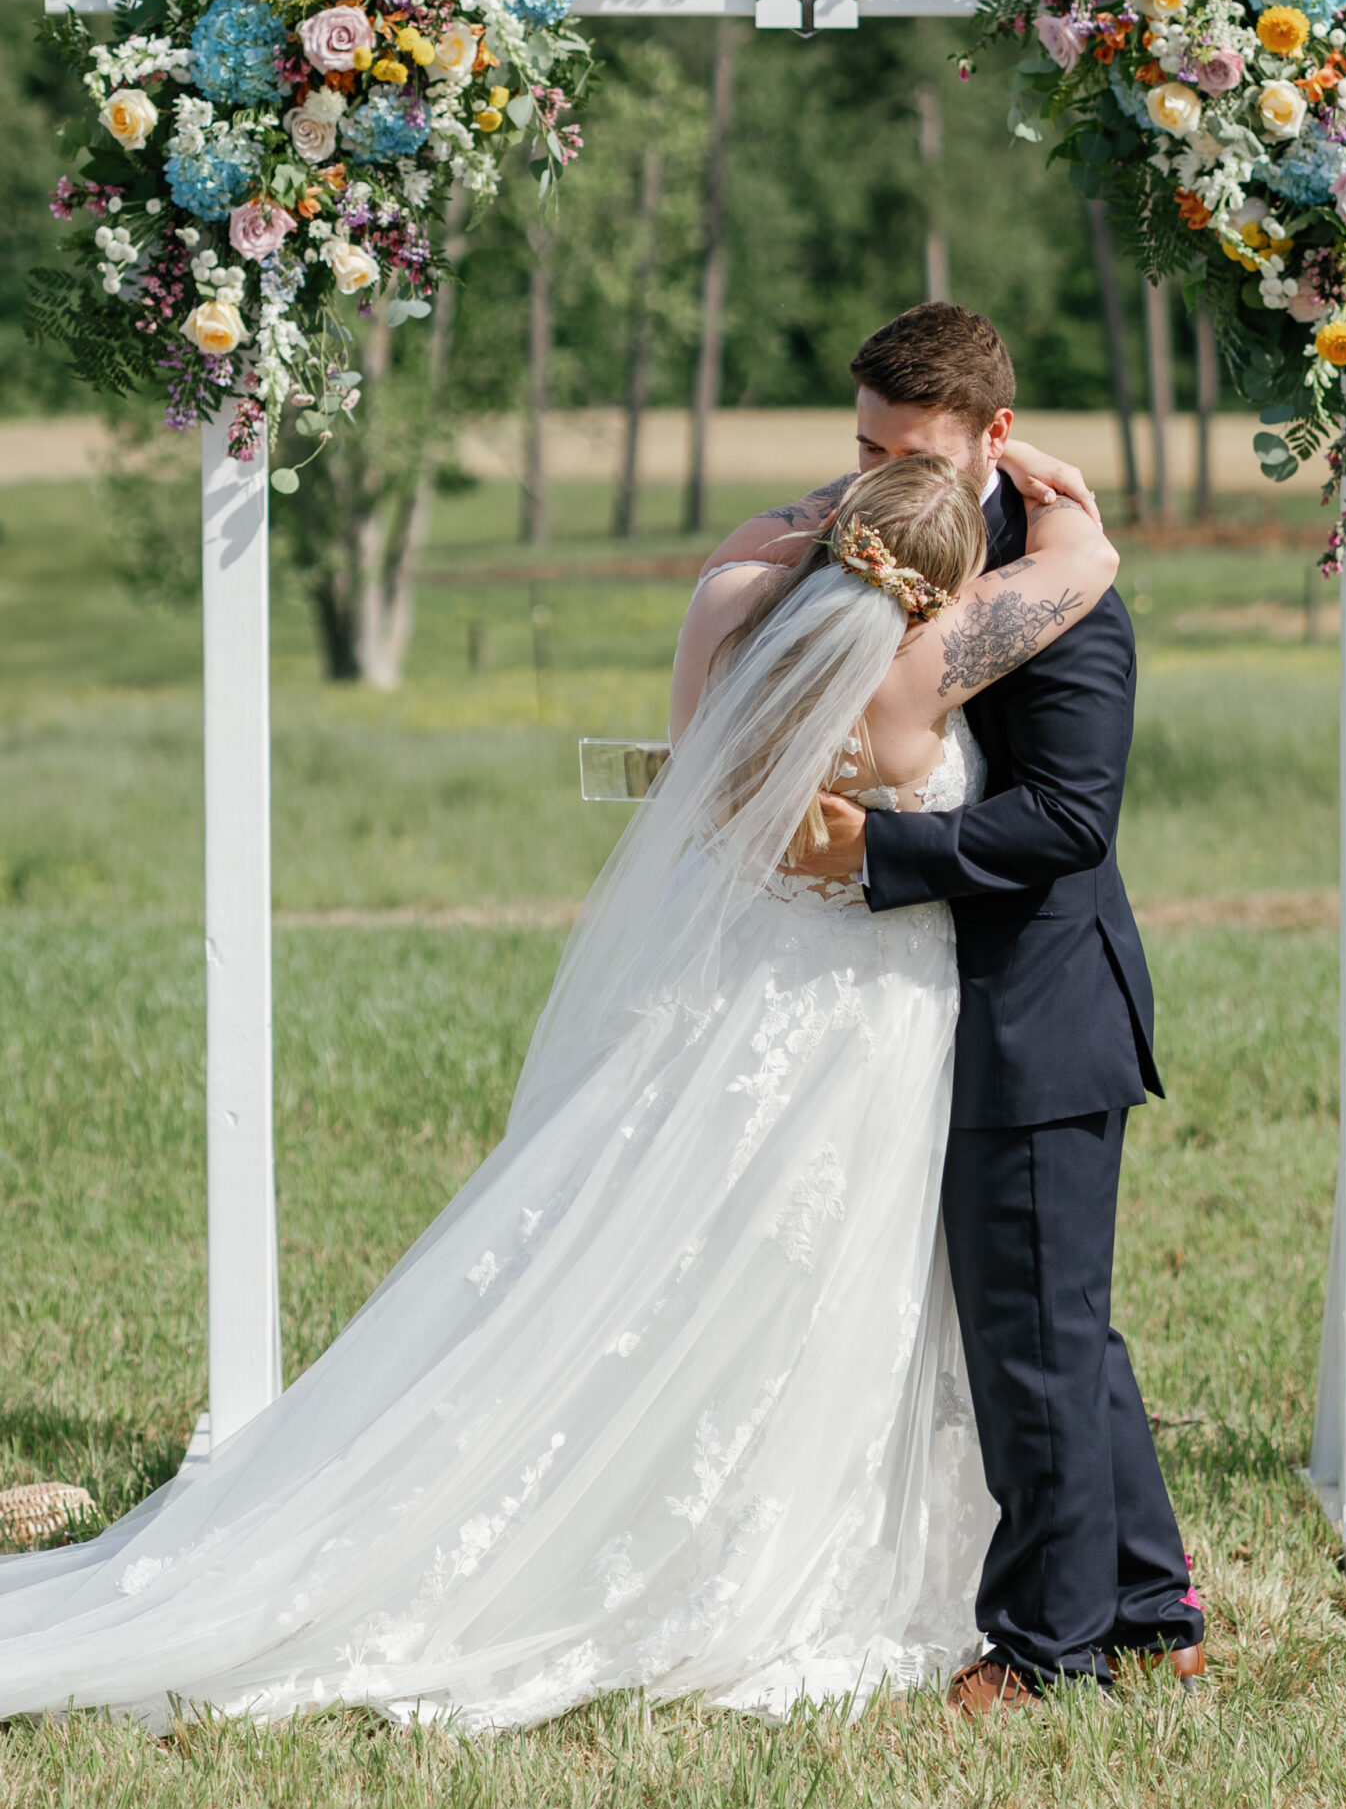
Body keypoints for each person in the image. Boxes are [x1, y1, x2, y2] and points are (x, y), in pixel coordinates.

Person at [0, 445, 1117, 1726]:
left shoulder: (733, 607)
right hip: (867, 1013)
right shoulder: (929, 660)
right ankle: (764, 1546)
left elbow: (716, 712)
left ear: (834, 541)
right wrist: (1065, 524)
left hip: (742, 989)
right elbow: (1079, 572)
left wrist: (804, 518)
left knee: (693, 1256)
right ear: (941, 583)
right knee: (825, 1277)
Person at [716, 303, 1205, 1707]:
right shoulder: (891, 531)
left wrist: (875, 853)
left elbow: (1069, 820)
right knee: (1063, 1326)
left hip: (1036, 1007)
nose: (879, 480)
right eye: (864, 446)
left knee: (1033, 1344)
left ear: (996, 436)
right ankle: (1147, 1602)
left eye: (909, 452)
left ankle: (1049, 1654)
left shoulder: (1070, 594)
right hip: (921, 1003)